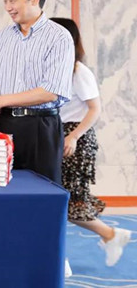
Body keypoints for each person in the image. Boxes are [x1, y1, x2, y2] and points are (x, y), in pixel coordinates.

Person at [0, 0, 74, 184]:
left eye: (12, 0)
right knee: (2, 187)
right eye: (5, 1)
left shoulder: (59, 37)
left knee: (42, 190)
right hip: (5, 123)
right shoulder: (4, 36)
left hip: (41, 126)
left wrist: (0, 100)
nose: (8, 7)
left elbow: (50, 92)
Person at [51, 17, 131, 268]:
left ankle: (64, 255)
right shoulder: (54, 69)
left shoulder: (78, 71)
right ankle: (109, 236)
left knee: (68, 202)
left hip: (75, 139)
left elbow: (95, 109)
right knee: (61, 200)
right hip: (58, 135)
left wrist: (74, 136)